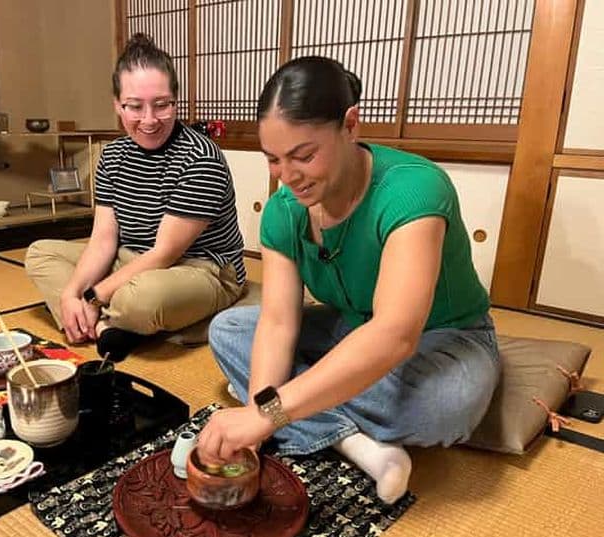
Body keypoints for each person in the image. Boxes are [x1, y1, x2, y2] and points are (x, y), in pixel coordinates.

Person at [196, 57, 500, 504]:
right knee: (227, 330)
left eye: (304, 155)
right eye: (274, 159)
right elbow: (280, 323)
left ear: (350, 125)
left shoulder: (412, 190)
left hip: (445, 338)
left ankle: (315, 413)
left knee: (449, 404)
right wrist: (261, 420)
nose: (288, 176)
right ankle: (359, 445)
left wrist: (267, 412)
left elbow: (395, 335)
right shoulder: (284, 210)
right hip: (351, 327)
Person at [26, 34, 245, 361]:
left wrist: (94, 296)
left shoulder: (200, 158)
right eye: (134, 106)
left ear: (176, 100)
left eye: (161, 104)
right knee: (40, 254)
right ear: (117, 104)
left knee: (142, 299)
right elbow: (102, 240)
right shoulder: (112, 156)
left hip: (200, 269)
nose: (149, 119)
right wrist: (74, 294)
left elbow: (163, 254)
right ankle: (104, 330)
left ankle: (99, 320)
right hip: (131, 259)